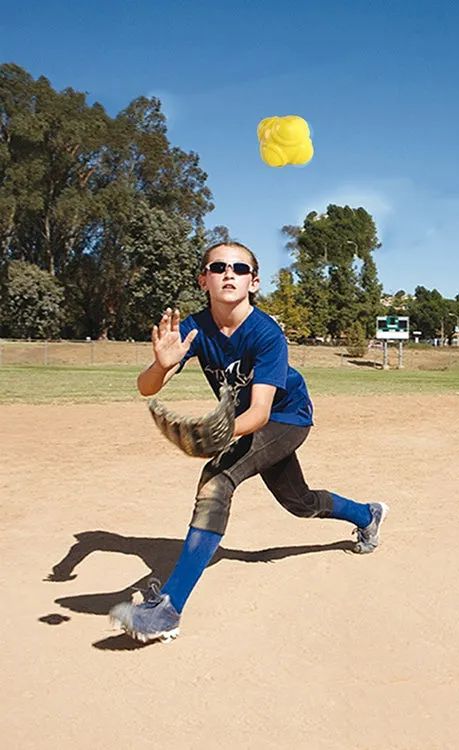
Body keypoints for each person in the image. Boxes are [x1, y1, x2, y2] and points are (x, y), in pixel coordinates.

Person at [109, 241, 389, 643]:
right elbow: (145, 387)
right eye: (218, 266)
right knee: (300, 502)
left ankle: (168, 609)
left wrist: (216, 435)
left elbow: (260, 413)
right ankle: (367, 515)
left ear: (253, 282)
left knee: (216, 480)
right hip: (248, 423)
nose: (229, 273)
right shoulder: (193, 328)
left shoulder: (266, 333)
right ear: (203, 279)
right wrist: (161, 364)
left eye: (239, 268)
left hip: (287, 417)